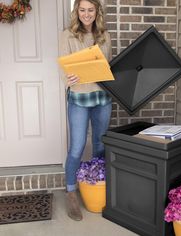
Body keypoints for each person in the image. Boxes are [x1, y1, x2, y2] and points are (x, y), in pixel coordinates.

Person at [59, 0, 112, 221]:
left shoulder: (105, 35)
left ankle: (98, 187)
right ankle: (71, 192)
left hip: (102, 97)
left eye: (91, 10)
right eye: (82, 10)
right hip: (79, 97)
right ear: (77, 11)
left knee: (100, 144)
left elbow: (107, 65)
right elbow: (65, 69)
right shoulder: (67, 35)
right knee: (77, 147)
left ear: (97, 11)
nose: (87, 14)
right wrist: (69, 77)